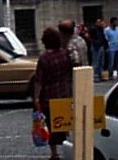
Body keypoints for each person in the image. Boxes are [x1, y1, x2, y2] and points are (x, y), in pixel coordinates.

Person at [31, 27, 73, 160]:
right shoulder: (65, 54)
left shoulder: (44, 58)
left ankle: (54, 153)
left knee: (51, 125)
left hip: (48, 96)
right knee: (65, 123)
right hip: (63, 93)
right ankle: (69, 146)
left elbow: (39, 80)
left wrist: (36, 97)